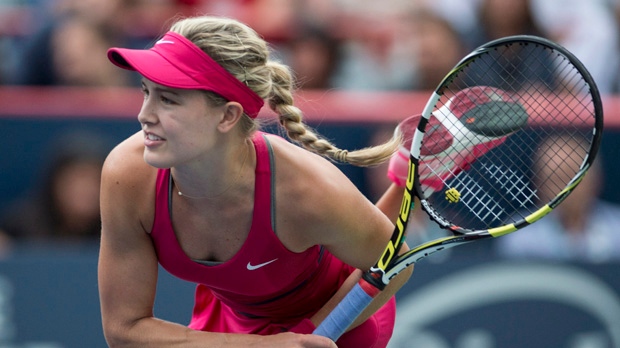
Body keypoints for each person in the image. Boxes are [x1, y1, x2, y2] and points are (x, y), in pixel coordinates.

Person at [98, 15, 412, 348]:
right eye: (146, 92)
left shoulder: (306, 190)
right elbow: (124, 329)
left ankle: (403, 180)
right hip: (235, 317)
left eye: (168, 99)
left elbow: (394, 261)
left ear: (228, 116)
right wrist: (266, 346)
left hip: (336, 323)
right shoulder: (127, 175)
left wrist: (310, 333)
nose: (144, 114)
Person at [495, 134, 620, 262]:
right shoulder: (521, 237)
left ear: (596, 179)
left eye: (573, 176)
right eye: (555, 180)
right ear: (538, 185)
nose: (566, 189)